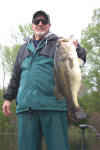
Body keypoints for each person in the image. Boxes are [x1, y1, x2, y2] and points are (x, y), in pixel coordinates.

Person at [2, 10, 86, 150]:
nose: (40, 23)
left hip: (53, 106)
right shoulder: (23, 49)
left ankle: (74, 107)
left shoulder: (58, 44)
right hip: (26, 108)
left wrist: (78, 47)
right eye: (36, 21)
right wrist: (8, 98)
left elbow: (80, 60)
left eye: (44, 21)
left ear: (49, 25)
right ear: (32, 25)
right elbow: (16, 76)